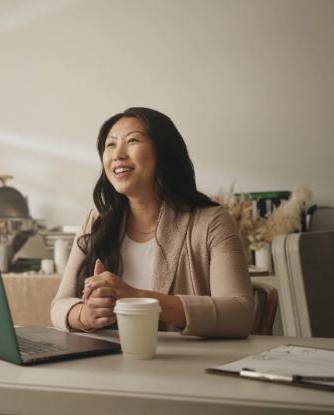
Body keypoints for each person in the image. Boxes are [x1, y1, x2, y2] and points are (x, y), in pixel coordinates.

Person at [50, 107, 254, 338]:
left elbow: (240, 314)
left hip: (186, 369)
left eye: (132, 140)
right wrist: (84, 315)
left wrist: (138, 298)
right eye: (110, 145)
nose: (117, 154)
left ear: (164, 152)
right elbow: (59, 306)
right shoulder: (95, 222)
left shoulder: (211, 222)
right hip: (106, 365)